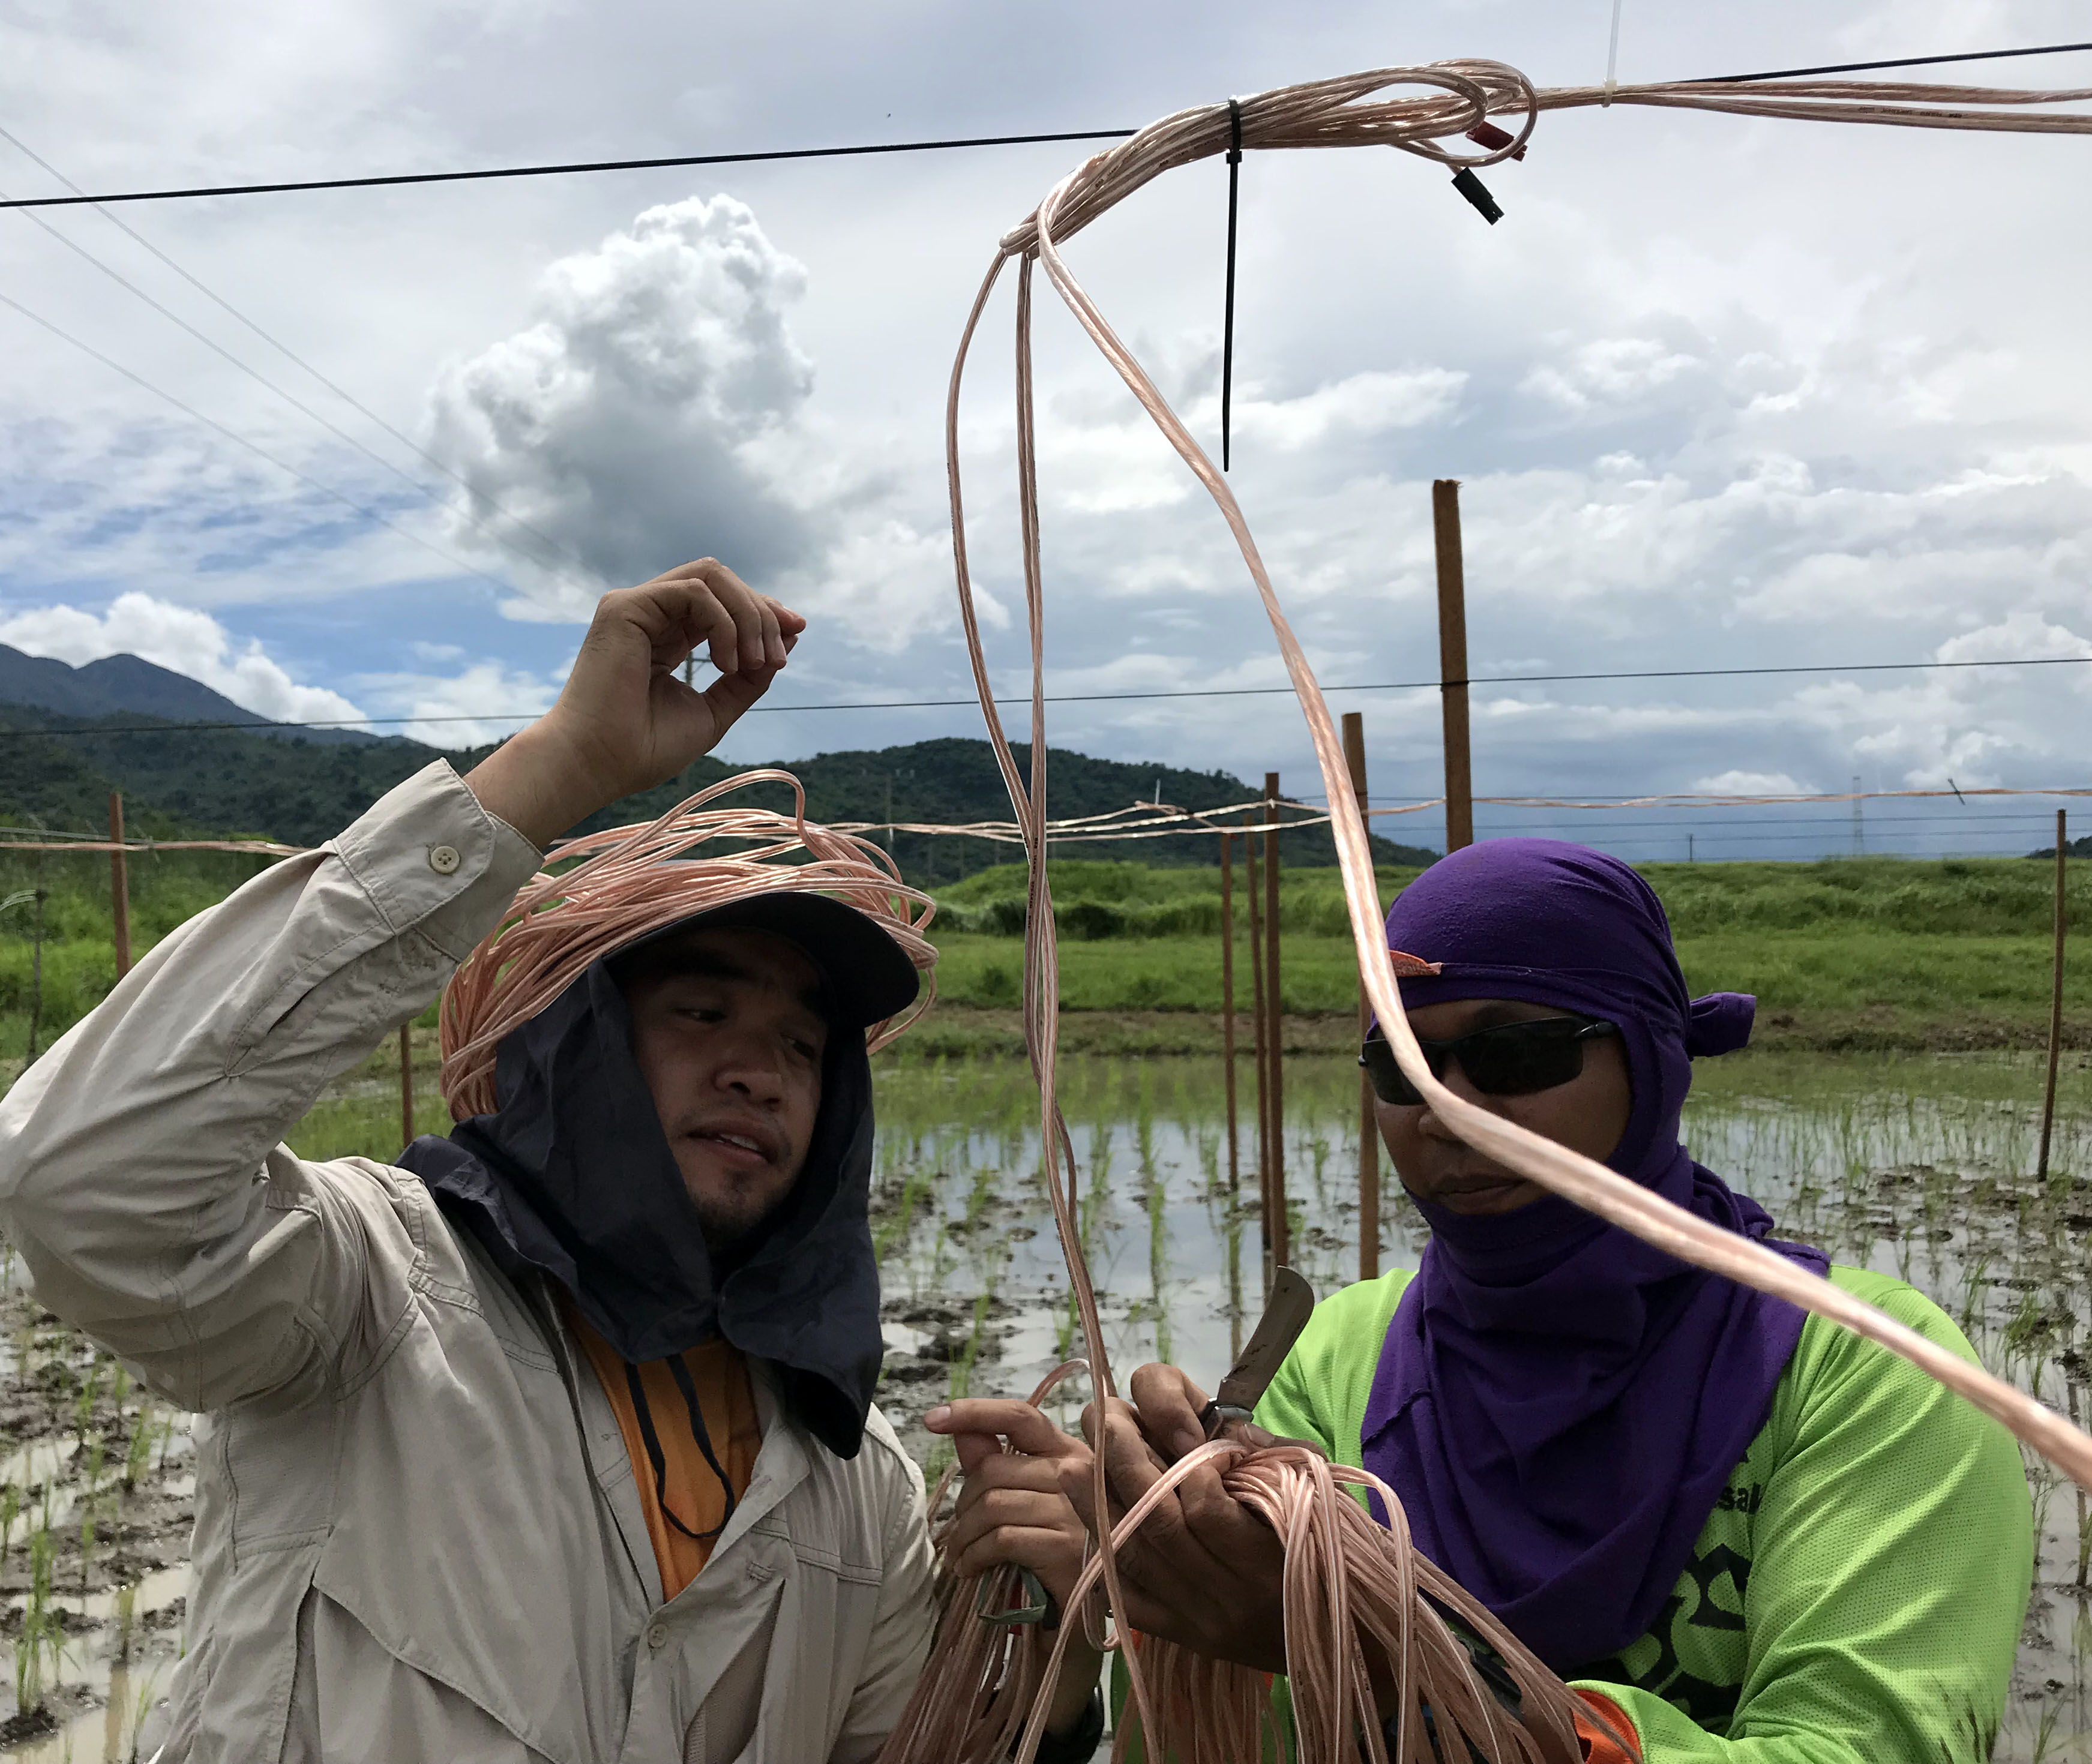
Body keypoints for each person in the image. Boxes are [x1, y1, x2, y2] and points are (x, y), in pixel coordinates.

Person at [0, 561, 1102, 1763]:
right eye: (699, 1013)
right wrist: (561, 768)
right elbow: (84, 1181)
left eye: (801, 1044)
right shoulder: (369, 1293)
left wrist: (1052, 1668)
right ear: (576, 1051)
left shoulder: (857, 1485)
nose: (761, 1071)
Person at [1062, 839, 2034, 1762]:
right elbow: (1214, 1728)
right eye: (1402, 1067)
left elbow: (1873, 1745)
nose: (1448, 1111)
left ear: (1651, 1057)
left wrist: (1374, 1653)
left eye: (1518, 1055)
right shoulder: (1330, 1361)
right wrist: (1123, 1598)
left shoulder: (1862, 1366)